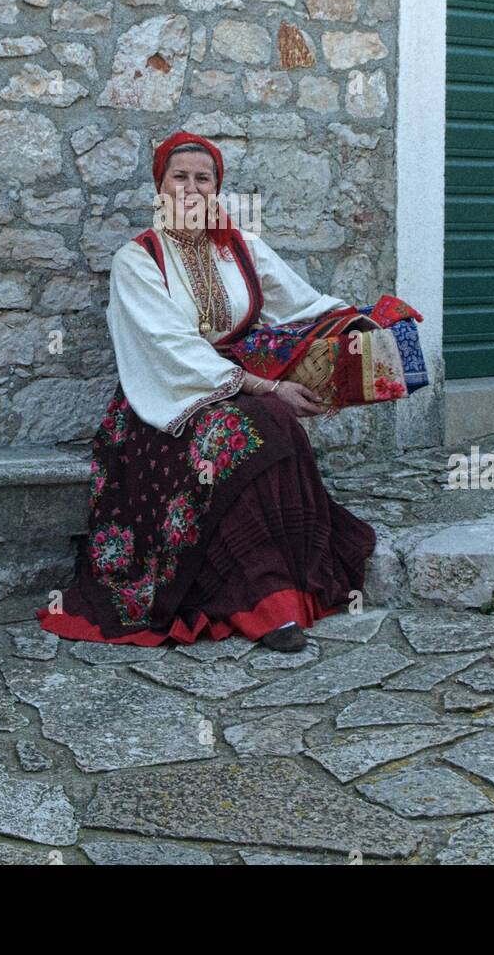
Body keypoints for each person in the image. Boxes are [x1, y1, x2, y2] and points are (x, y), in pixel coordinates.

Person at [35, 130, 377, 653]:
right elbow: (168, 346)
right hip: (165, 400)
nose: (191, 188)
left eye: (204, 178)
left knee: (269, 425)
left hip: (239, 387)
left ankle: (286, 589)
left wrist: (361, 326)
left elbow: (301, 304)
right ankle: (256, 602)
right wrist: (266, 386)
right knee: (252, 428)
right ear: (160, 186)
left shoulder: (240, 245)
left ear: (217, 187)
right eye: (180, 177)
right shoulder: (139, 259)